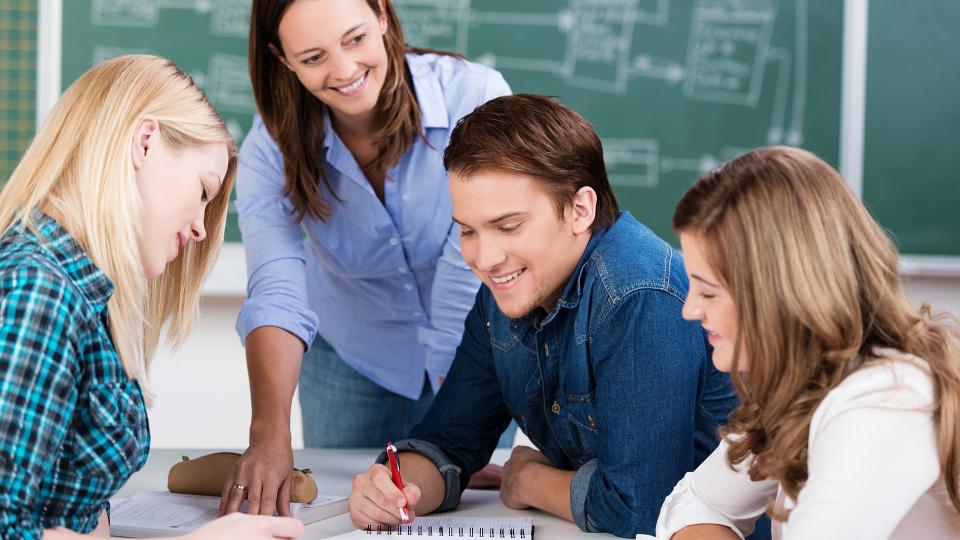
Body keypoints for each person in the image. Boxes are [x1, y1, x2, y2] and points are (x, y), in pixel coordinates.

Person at [346, 94, 745, 538]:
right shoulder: (506, 289)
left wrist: (529, 481)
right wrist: (393, 488)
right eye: (468, 230)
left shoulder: (639, 295)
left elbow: (643, 507)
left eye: (509, 226)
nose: (485, 257)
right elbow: (450, 440)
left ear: (580, 210)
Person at [224, 0, 513, 516]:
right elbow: (276, 285)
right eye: (312, 57)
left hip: (475, 355)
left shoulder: (475, 95)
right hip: (352, 363)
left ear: (382, 15)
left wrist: (458, 427)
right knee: (344, 513)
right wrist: (268, 434)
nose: (343, 70)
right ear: (281, 58)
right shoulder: (270, 151)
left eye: (355, 39)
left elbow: (468, 263)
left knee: (484, 513)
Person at [0, 54, 303, 539]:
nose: (204, 229)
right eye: (203, 191)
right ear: (144, 143)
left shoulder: (85, 295)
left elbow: (69, 512)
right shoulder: (40, 292)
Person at [657, 146, 960, 539]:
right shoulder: (805, 380)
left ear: (780, 294)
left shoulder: (886, 399)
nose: (690, 310)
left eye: (708, 292)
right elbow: (695, 501)